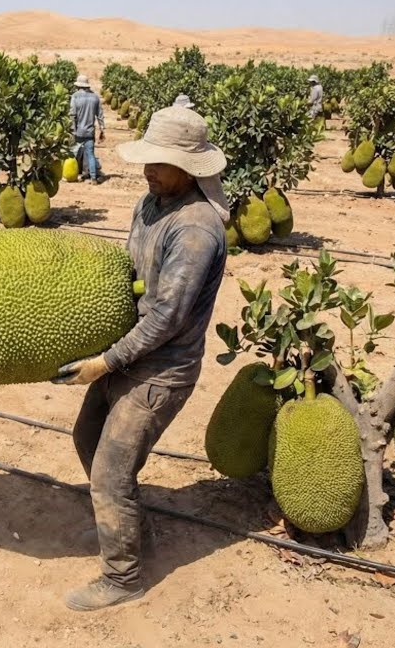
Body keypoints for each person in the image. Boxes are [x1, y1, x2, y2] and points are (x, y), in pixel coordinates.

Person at [53, 106, 230, 611]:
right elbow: (130, 276)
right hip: (127, 353)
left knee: (111, 474)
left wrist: (105, 362)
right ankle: (127, 528)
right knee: (87, 438)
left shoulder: (195, 229)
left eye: (160, 163)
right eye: (147, 160)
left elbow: (167, 317)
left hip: (162, 370)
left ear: (190, 168)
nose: (148, 170)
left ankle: (123, 576)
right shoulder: (150, 204)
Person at [69, 74, 107, 184]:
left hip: (78, 132)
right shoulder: (95, 97)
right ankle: (93, 178)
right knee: (90, 155)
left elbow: (72, 115)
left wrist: (72, 130)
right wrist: (102, 129)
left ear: (78, 86)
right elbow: (100, 115)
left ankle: (74, 175)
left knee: (73, 154)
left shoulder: (75, 96)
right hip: (90, 132)